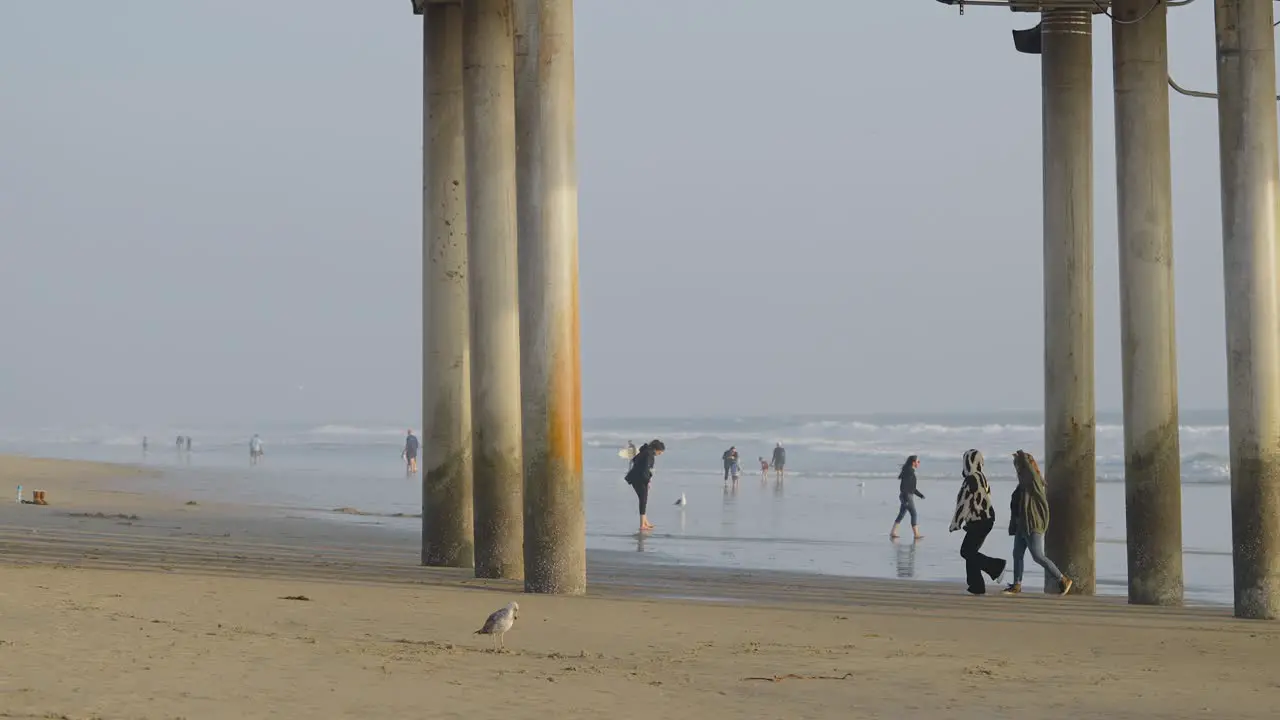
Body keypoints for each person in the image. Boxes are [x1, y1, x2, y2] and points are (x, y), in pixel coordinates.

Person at [1004, 450, 1073, 596]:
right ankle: (1017, 584)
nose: (1017, 470)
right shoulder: (1022, 486)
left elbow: (1031, 472)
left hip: (1033, 525)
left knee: (1038, 556)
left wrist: (1023, 457)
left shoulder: (1035, 484)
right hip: (1022, 526)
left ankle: (1063, 579)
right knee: (1017, 554)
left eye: (1019, 467)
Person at [949, 449, 1006, 595]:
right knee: (971, 552)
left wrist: (956, 523)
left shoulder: (970, 480)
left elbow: (963, 502)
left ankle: (996, 566)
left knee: (966, 551)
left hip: (979, 521)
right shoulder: (982, 477)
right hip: (987, 519)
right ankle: (976, 586)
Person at [625, 439, 665, 532]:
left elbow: (634, 460)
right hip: (640, 479)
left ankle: (645, 522)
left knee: (643, 499)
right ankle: (642, 524)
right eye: (661, 451)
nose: (661, 453)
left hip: (636, 478)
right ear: (657, 449)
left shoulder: (645, 451)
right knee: (643, 500)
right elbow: (646, 469)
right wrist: (647, 481)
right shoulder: (649, 454)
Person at [890, 455, 925, 539]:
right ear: (913, 462)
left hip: (905, 495)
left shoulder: (909, 471)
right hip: (907, 496)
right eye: (918, 461)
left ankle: (893, 532)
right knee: (914, 514)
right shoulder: (910, 472)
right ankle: (916, 534)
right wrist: (905, 498)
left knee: (901, 514)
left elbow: (912, 488)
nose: (919, 463)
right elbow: (904, 486)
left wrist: (920, 495)